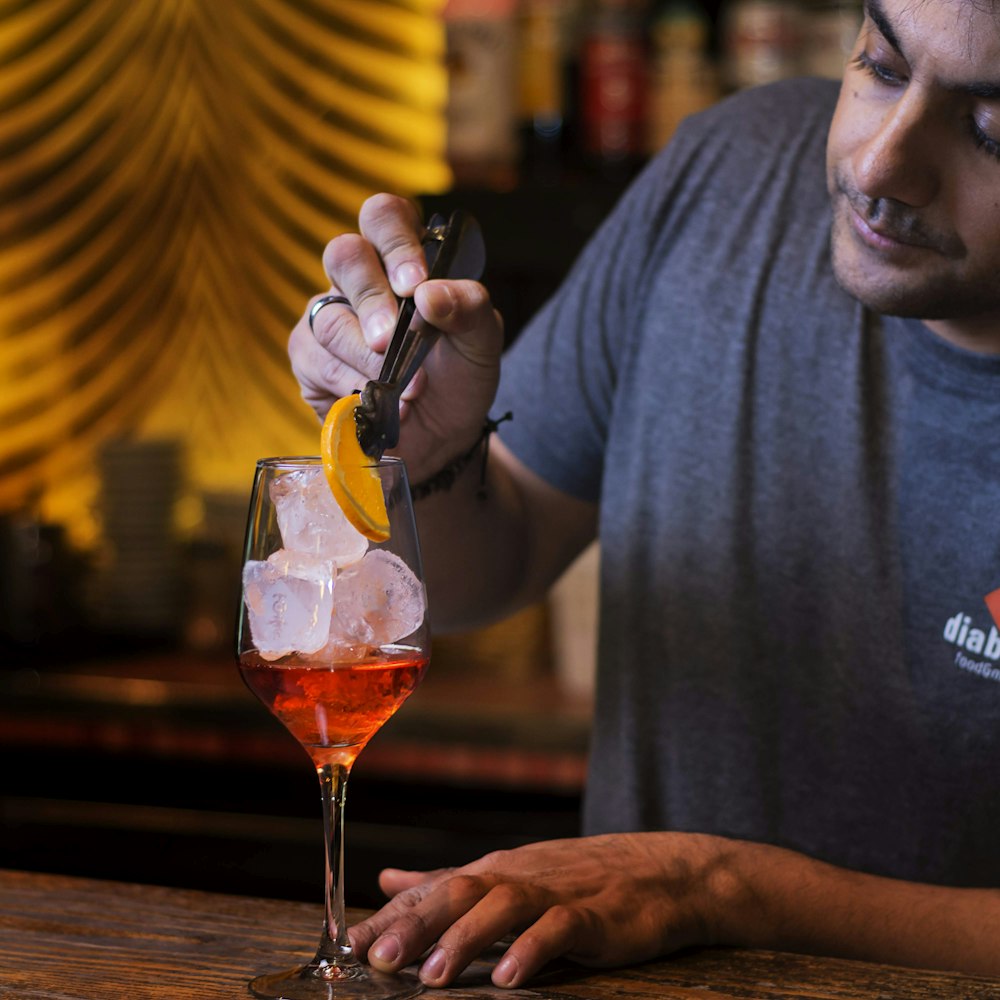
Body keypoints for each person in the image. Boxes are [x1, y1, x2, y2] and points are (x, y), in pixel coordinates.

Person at [288, 0, 1000, 988]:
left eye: (988, 129)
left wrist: (719, 889)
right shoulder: (729, 171)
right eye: (880, 65)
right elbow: (484, 571)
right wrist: (431, 457)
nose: (880, 165)